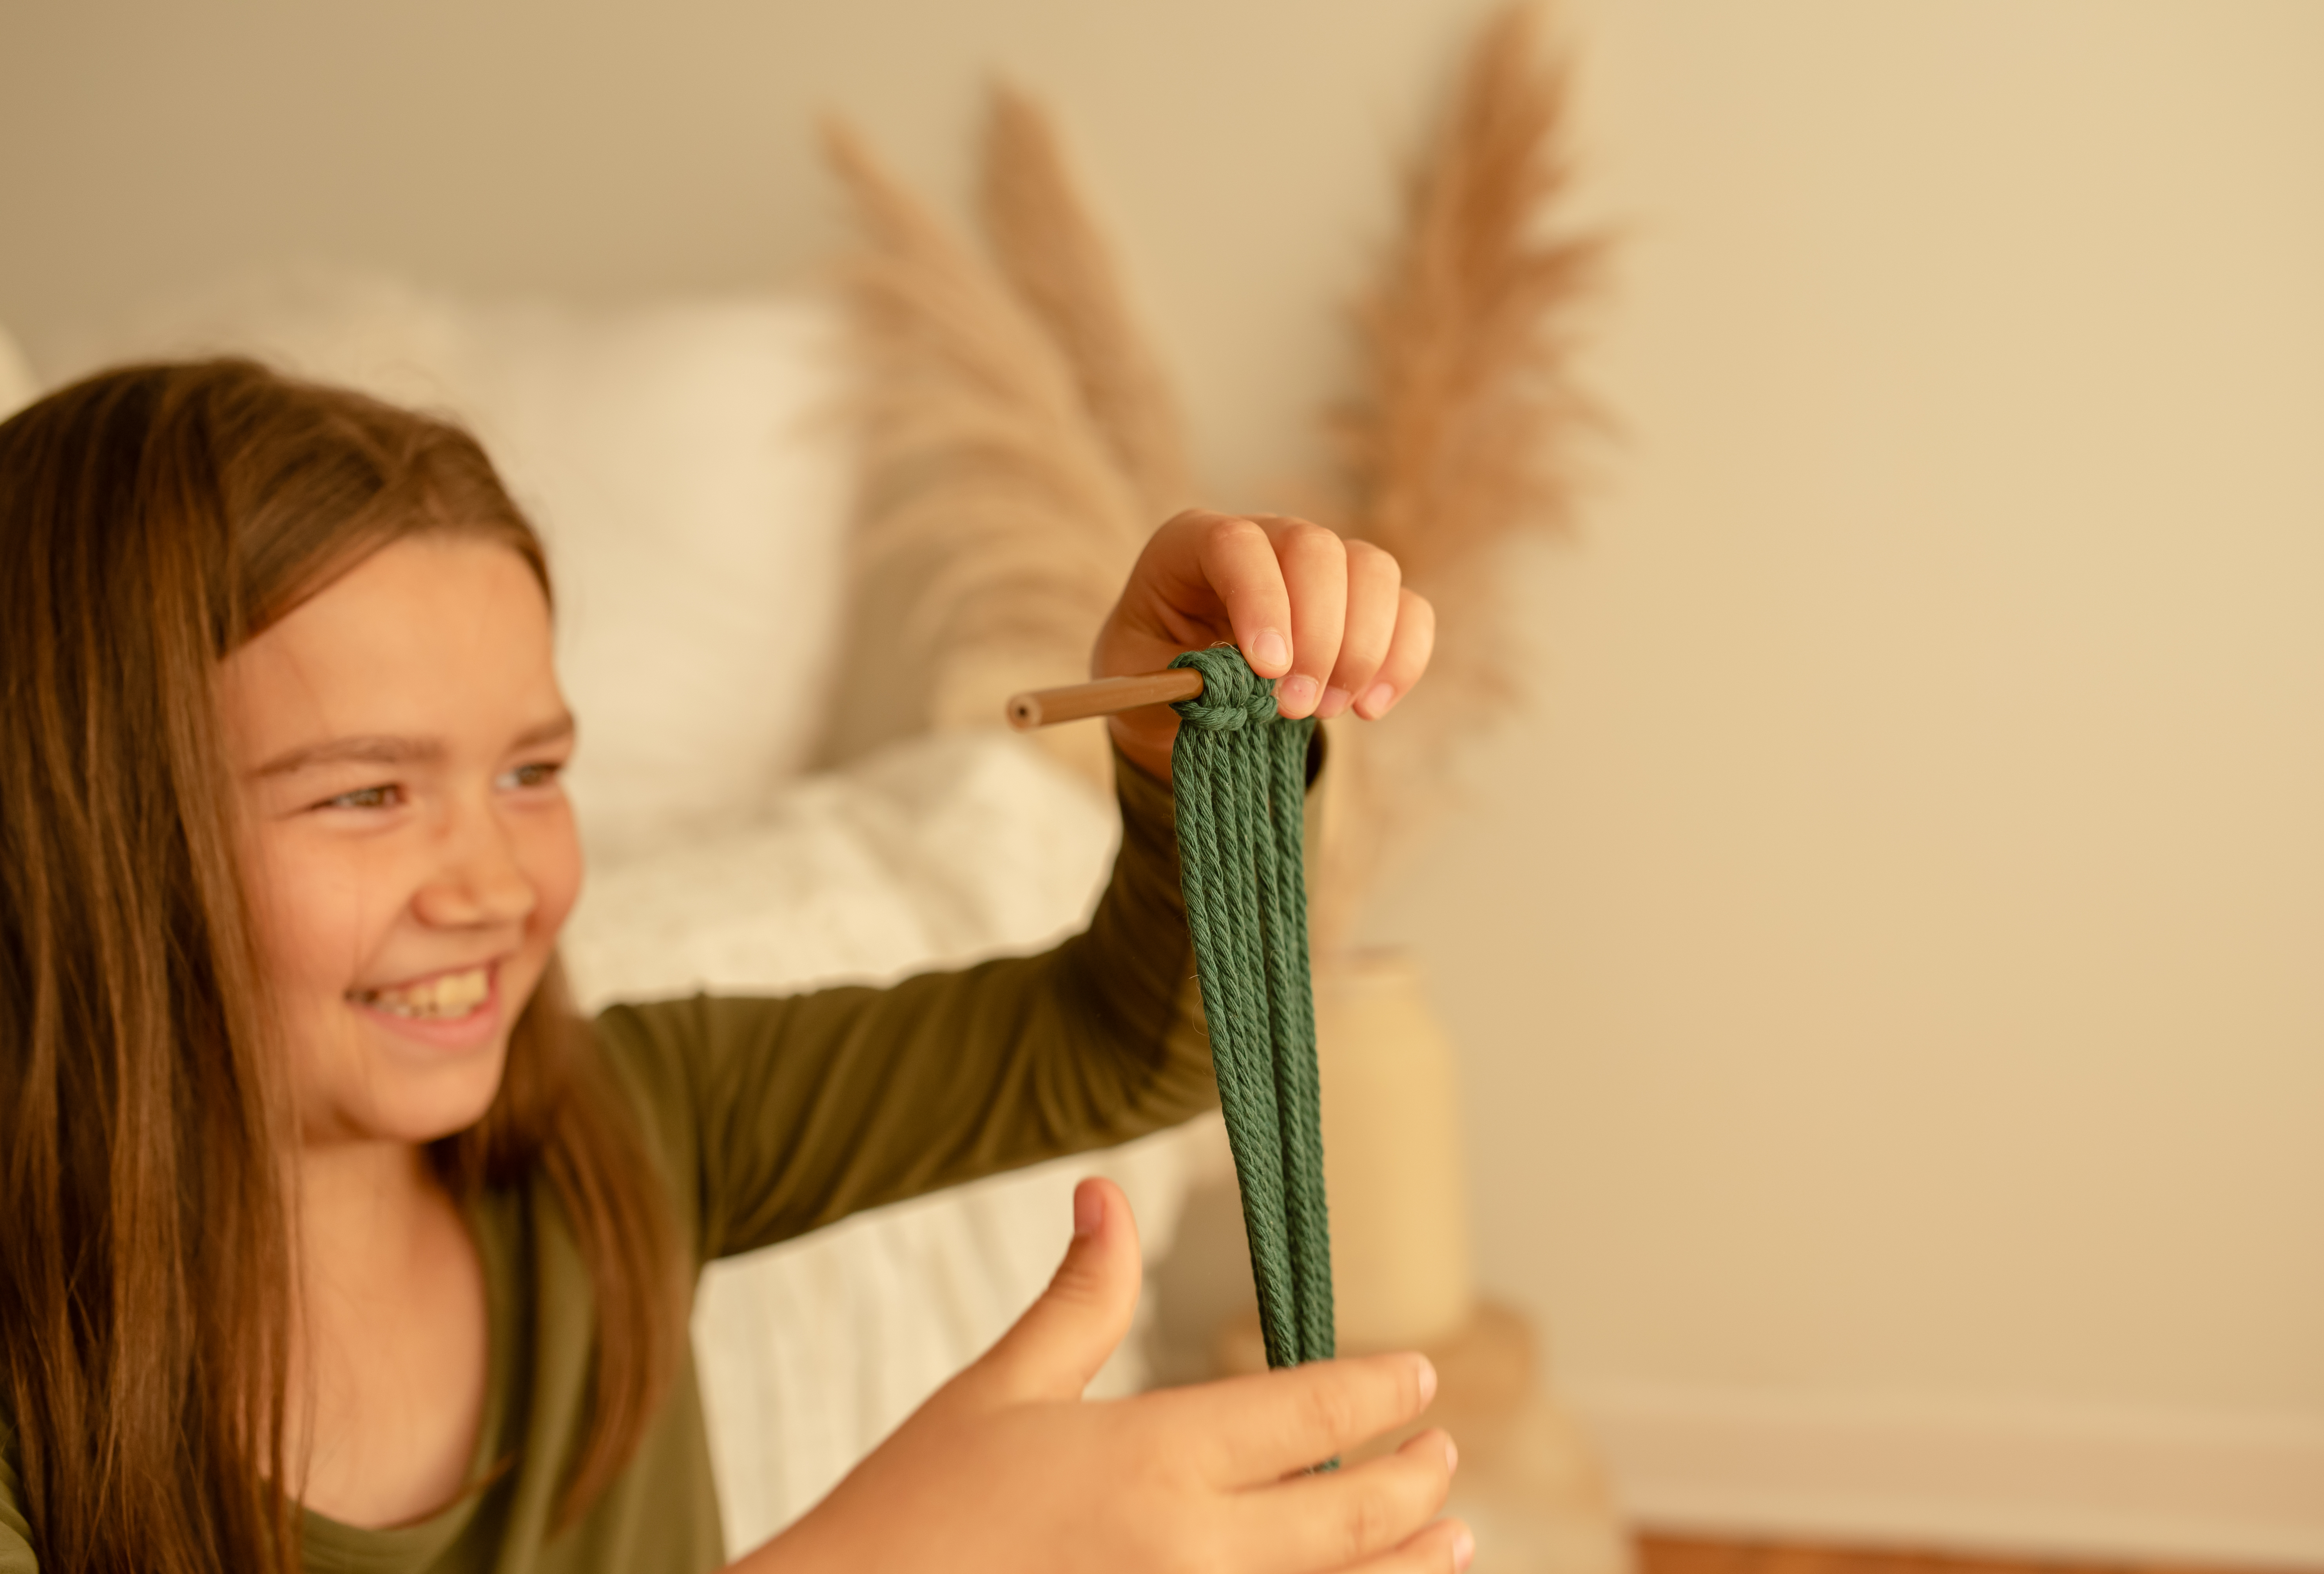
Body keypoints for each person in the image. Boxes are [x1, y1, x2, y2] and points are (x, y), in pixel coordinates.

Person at [0, 359, 1466, 1574]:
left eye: (532, 772)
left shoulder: (625, 1128)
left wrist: (1183, 756)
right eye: (368, 793)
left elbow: (1133, 1042)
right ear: (83, 827)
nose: (499, 885)